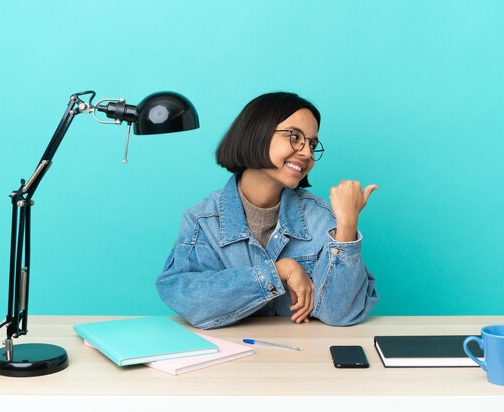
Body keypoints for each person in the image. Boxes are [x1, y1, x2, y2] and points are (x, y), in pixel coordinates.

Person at [156, 92, 378, 329]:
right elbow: (190, 300)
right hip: (226, 360)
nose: (306, 153)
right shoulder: (203, 220)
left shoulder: (320, 217)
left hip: (301, 358)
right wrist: (277, 272)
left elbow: (340, 313)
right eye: (294, 137)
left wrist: (347, 225)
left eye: (312, 144)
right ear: (256, 133)